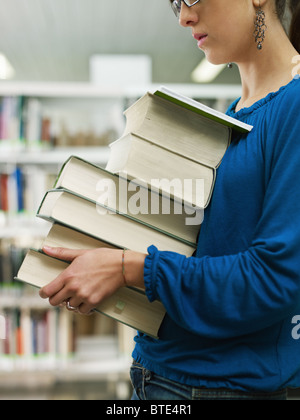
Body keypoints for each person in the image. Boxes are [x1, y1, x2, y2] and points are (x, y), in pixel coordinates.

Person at [40, 0, 300, 400]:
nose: (183, 17)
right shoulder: (237, 113)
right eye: (175, 3)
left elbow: (275, 279)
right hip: (160, 371)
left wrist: (129, 268)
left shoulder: (294, 106)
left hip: (223, 387)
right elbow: (209, 252)